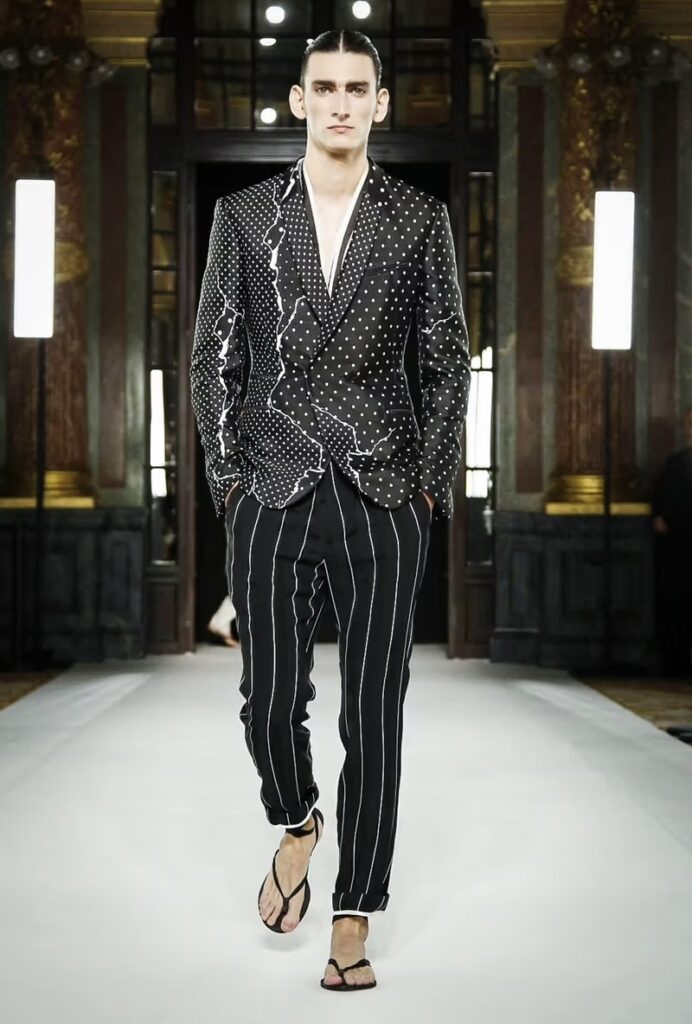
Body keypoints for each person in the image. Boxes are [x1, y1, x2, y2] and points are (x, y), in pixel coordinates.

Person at [190, 28, 471, 991]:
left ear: (380, 104)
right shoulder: (243, 216)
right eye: (327, 87)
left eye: (359, 87)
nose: (343, 102)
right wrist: (230, 481)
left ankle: (356, 912)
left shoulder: (418, 219)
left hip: (386, 495)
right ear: (299, 101)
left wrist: (428, 482)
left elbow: (447, 360)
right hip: (269, 490)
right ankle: (299, 819)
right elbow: (212, 355)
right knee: (269, 701)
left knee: (375, 714)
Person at [652, 407, 692, 677]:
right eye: (687, 424)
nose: (688, 430)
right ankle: (674, 662)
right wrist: (658, 517)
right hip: (676, 548)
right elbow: (659, 495)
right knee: (675, 606)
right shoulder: (675, 463)